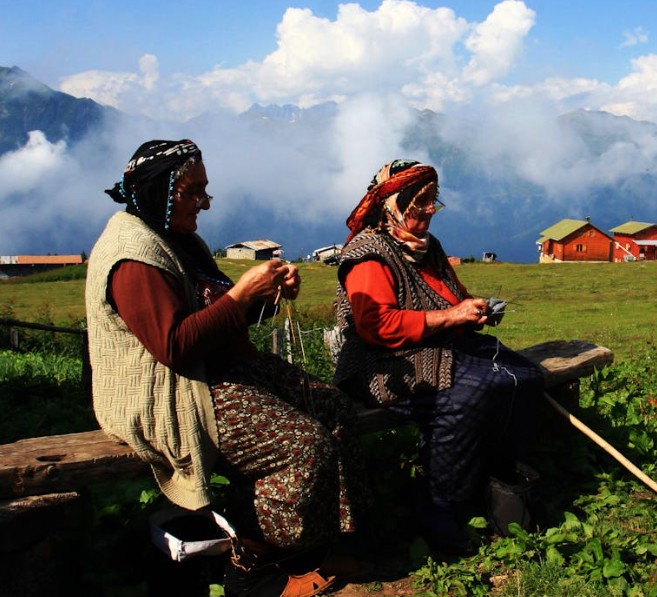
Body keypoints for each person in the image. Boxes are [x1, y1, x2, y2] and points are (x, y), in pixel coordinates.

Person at [85, 139, 369, 596]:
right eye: (192, 193)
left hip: (213, 369)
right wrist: (241, 295)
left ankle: (316, 545)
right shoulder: (133, 255)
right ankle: (253, 568)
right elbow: (174, 346)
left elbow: (216, 316)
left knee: (334, 409)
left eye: (205, 192)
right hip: (174, 390)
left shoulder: (178, 238)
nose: (204, 204)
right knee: (302, 445)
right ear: (160, 191)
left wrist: (265, 295)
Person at [333, 159, 544, 555]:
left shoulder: (428, 249)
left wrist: (472, 308)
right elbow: (376, 326)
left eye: (434, 202)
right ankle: (438, 509)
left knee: (524, 376)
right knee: (466, 397)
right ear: (394, 204)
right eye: (420, 204)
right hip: (382, 364)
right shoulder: (369, 255)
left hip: (435, 348)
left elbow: (452, 296)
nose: (430, 211)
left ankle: (500, 482)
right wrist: (451, 316)